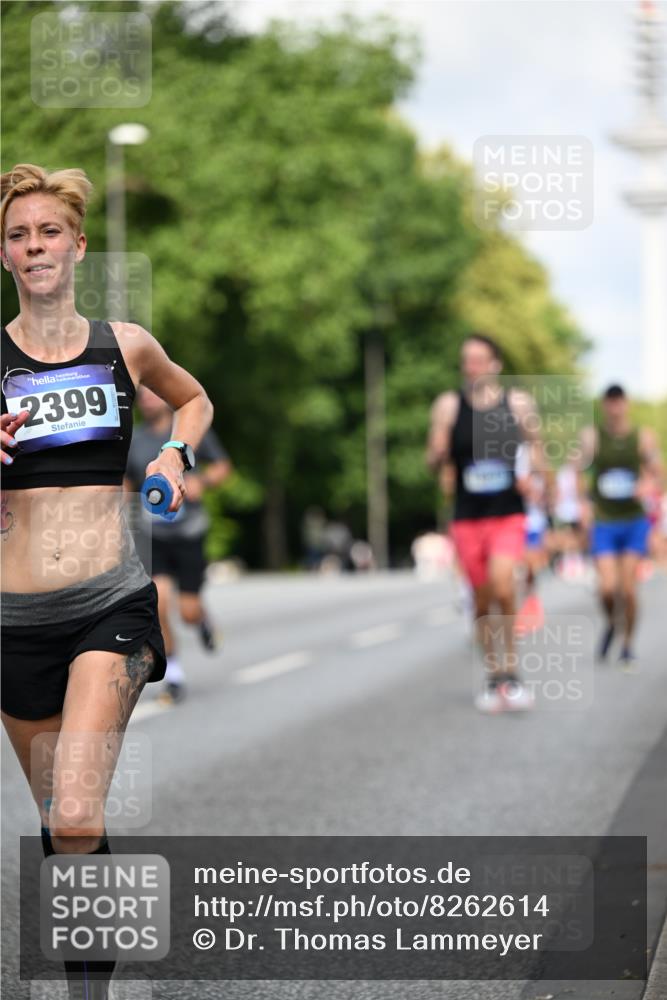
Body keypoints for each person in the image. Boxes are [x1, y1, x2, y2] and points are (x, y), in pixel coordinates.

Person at [0, 163, 213, 998]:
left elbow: (190, 400)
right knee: (63, 826)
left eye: (49, 230)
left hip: (109, 603)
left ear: (78, 244)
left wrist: (173, 450)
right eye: (19, 235)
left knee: (78, 813)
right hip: (15, 620)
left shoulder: (123, 345)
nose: (35, 245)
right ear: (5, 256)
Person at [427, 333, 549, 713]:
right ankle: (493, 673)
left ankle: (511, 670)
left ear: (496, 364)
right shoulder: (449, 406)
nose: (473, 366)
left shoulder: (517, 403)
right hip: (467, 518)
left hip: (508, 513)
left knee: (502, 584)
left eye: (480, 359)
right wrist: (437, 454)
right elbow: (434, 461)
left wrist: (539, 483)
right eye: (467, 360)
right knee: (480, 599)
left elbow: (538, 448)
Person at [124, 387, 232, 704]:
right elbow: (127, 484)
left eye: (153, 393)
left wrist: (202, 481)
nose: (146, 399)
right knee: (157, 605)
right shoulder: (135, 440)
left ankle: (203, 619)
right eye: (141, 395)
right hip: (152, 536)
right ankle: (174, 676)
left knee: (187, 612)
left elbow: (223, 466)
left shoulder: (187, 430)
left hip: (189, 532)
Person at [579, 384, 663, 665]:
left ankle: (627, 643)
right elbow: (578, 472)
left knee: (627, 589)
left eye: (619, 402)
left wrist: (647, 485)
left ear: (626, 404)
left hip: (633, 521)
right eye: (610, 403)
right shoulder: (592, 438)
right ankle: (612, 623)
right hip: (604, 521)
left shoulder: (642, 438)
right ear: (604, 405)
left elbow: (658, 475)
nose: (615, 408)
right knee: (606, 588)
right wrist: (583, 504)